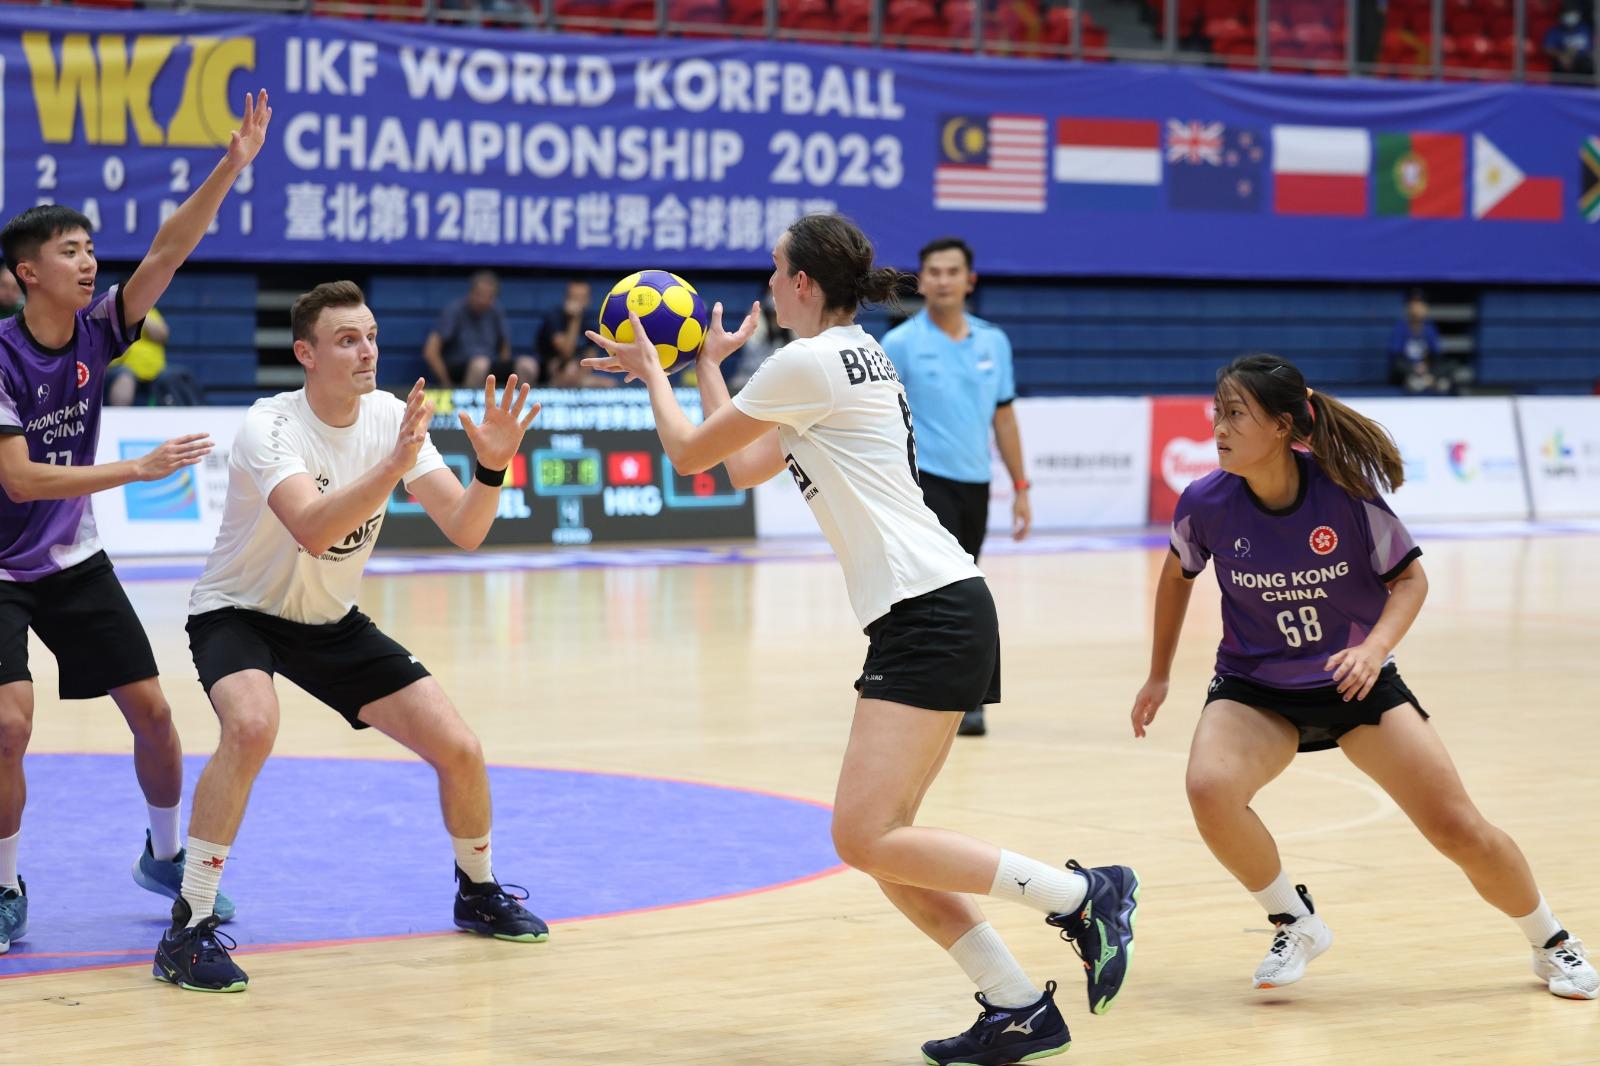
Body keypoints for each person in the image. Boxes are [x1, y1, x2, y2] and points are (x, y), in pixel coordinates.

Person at [583, 212, 1139, 1065]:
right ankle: (1016, 1005)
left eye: (775, 270)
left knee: (864, 838)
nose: (767, 285)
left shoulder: (807, 361)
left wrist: (655, 370)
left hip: (931, 609)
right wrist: (702, 366)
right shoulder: (845, 357)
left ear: (803, 284)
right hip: (935, 605)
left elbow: (692, 456)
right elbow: (743, 464)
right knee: (890, 846)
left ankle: (1080, 894)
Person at [1129, 354, 1597, 1001]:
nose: (1220, 427)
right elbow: (1177, 577)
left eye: (1235, 413)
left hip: (1355, 685)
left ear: (1281, 425)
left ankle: (1553, 942)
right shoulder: (1206, 502)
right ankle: (1295, 919)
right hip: (1255, 688)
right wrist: (1159, 676)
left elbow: (1410, 578)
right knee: (1210, 788)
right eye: (1218, 413)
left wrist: (1375, 648)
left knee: (1458, 828)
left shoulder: (1343, 494)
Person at [152, 280, 547, 993]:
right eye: (346, 339)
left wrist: (492, 465)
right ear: (305, 353)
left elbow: (466, 529)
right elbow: (312, 528)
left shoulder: (391, 416)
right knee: (251, 726)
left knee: (460, 748)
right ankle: (189, 925)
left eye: (368, 335)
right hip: (238, 611)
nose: (366, 349)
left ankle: (478, 891)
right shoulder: (269, 426)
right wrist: (393, 466)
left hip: (330, 620)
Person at [0, 89, 273, 954]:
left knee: (154, 715)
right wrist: (135, 470)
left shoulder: (97, 330)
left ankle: (163, 857)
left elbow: (171, 247)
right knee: (8, 725)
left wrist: (230, 167)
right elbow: (19, 478)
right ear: (26, 274)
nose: (88, 263)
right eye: (69, 252)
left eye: (89, 250)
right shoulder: (1, 356)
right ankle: (4, 884)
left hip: (73, 560)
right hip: (1, 572)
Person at [882, 237, 1030, 738]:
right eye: (933, 272)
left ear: (970, 280)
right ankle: (960, 700)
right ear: (921, 281)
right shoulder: (899, 344)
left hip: (977, 484)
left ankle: (963, 694)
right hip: (926, 484)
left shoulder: (994, 342)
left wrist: (1022, 485)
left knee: (968, 586)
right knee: (948, 589)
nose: (942, 280)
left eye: (952, 271)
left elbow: (1004, 417)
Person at [421, 270, 536, 388]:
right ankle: (470, 402)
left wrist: (503, 371)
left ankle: (519, 404)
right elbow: (430, 351)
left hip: (490, 365)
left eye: (489, 297)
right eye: (480, 295)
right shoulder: (454, 311)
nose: (483, 300)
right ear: (470, 293)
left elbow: (504, 346)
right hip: (460, 367)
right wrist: (446, 384)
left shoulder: (496, 311)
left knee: (527, 364)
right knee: (480, 365)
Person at [535, 279, 612, 389]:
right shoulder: (554, 317)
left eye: (581, 298)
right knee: (569, 369)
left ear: (588, 300)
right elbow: (566, 352)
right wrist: (574, 319)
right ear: (566, 299)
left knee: (608, 383)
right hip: (549, 367)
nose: (577, 302)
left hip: (578, 368)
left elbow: (591, 354)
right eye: (573, 297)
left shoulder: (590, 321)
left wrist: (580, 379)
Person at [1386, 291, 1447, 395]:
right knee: (1398, 368)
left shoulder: (1430, 328)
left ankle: (1428, 381)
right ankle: (1420, 382)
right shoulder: (1400, 328)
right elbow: (1396, 357)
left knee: (1446, 371)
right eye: (1413, 304)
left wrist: (1427, 370)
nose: (1416, 309)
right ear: (1408, 307)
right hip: (1407, 372)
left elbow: (1435, 355)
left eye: (1420, 305)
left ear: (1425, 308)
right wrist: (1413, 368)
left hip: (1426, 371)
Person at [1544, 5, 1596, 77]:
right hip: (1564, 64)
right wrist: (1561, 56)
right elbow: (1548, 48)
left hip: (1585, 64)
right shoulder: (1556, 31)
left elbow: (1592, 47)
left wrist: (1591, 54)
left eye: (1573, 13)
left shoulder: (1584, 28)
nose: (1571, 16)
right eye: (1568, 14)